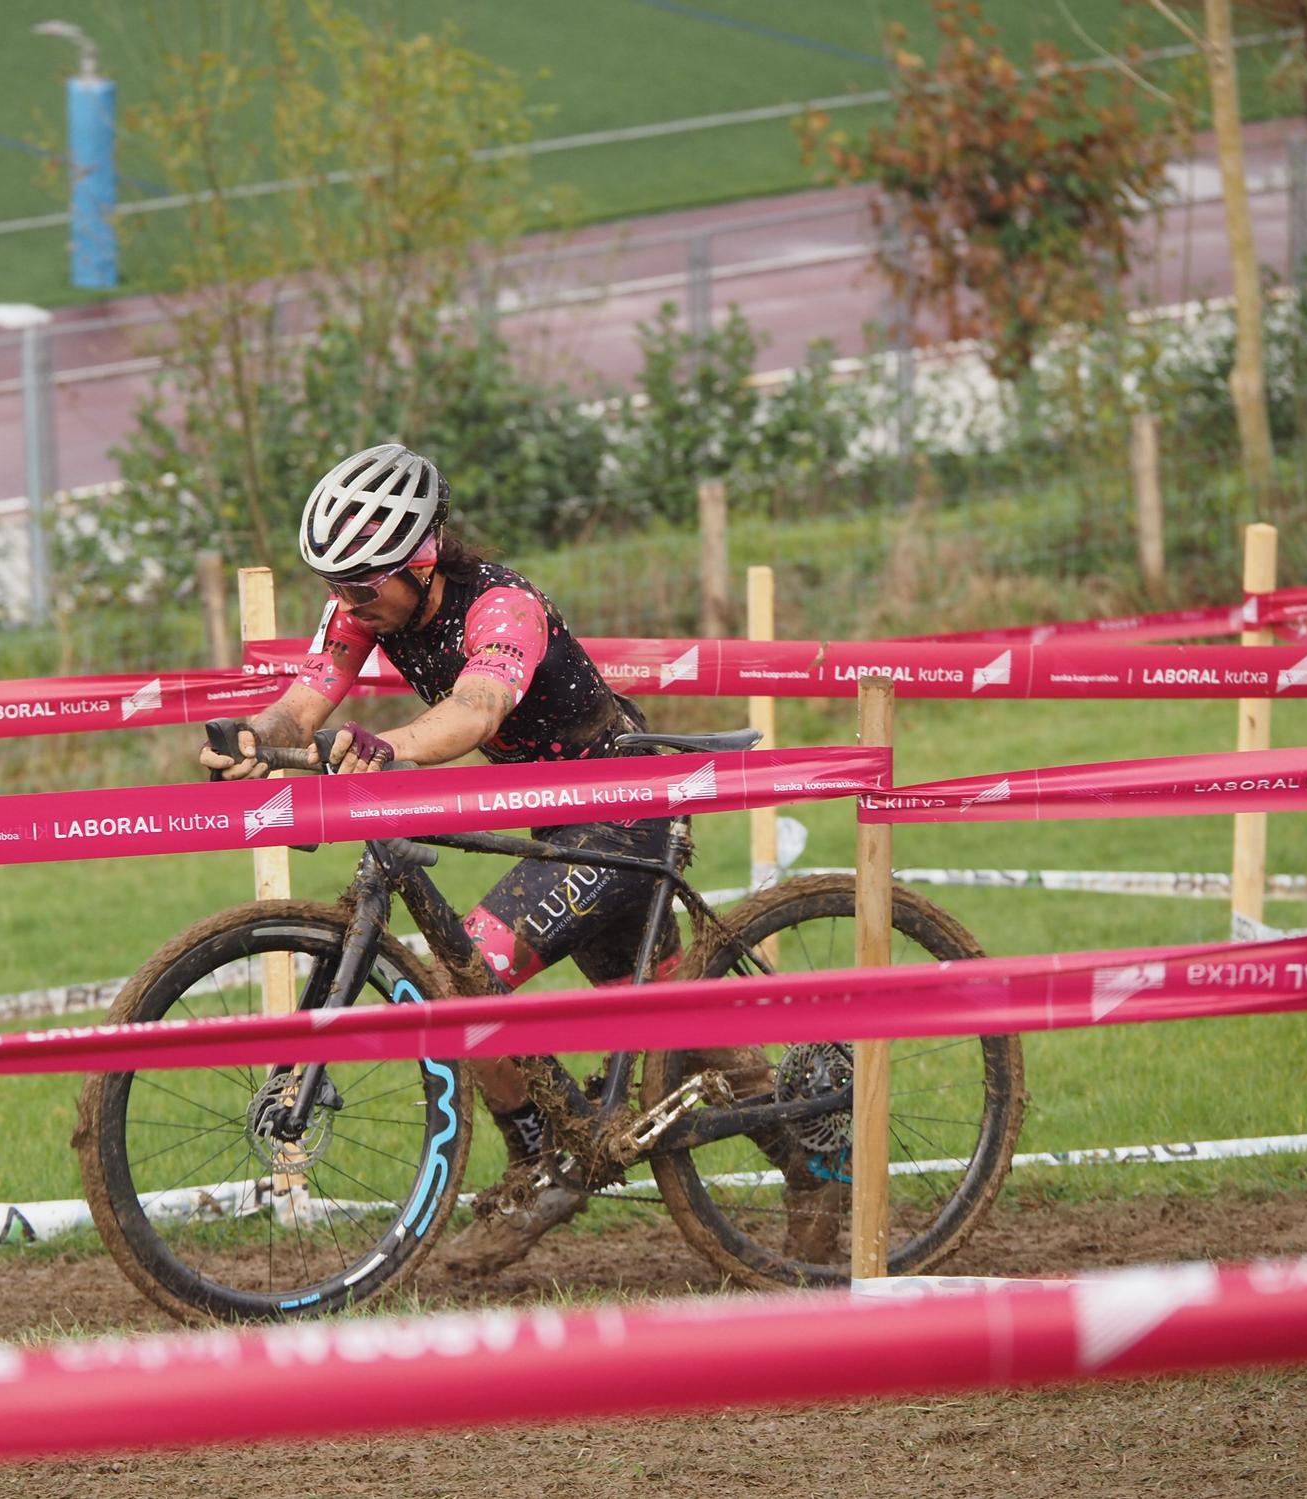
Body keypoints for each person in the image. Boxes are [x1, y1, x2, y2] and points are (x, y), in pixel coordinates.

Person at [201, 444, 835, 1274]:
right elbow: (301, 704)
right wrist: (253, 741)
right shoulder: (365, 608)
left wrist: (384, 746)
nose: (347, 602)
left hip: (620, 816)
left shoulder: (502, 609)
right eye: (334, 585)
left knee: (465, 977)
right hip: (557, 825)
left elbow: (475, 708)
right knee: (684, 1017)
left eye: (361, 585)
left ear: (422, 561)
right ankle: (802, 1171)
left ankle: (558, 1168)